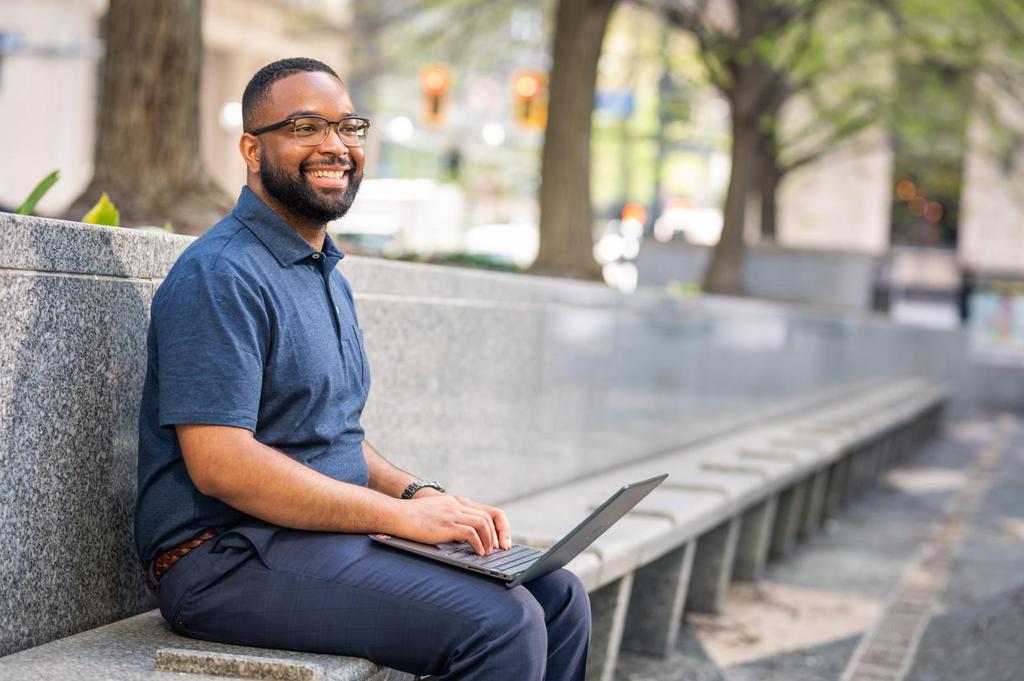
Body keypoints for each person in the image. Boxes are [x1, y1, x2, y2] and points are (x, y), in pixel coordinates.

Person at [133, 57, 591, 680]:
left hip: (311, 540)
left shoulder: (321, 272)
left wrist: (421, 494)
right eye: (305, 127)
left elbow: (332, 435)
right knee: (501, 621)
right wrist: (400, 519)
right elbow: (222, 465)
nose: (335, 146)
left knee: (558, 595)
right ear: (251, 147)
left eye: (348, 127)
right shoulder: (221, 274)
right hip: (221, 560)